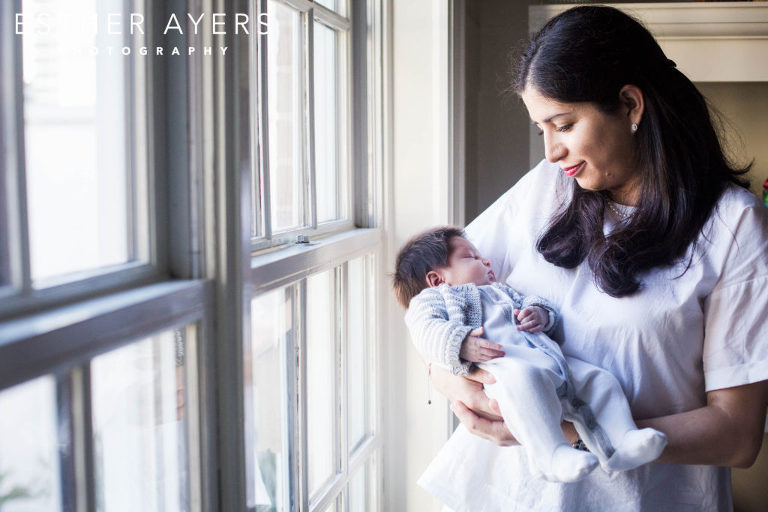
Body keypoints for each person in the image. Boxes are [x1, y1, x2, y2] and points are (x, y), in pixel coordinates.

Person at [426, 5, 768, 512]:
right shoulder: (546, 190)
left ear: (630, 104)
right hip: (505, 495)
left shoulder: (731, 226)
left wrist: (560, 429)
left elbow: (736, 436)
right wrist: (455, 381)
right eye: (541, 127)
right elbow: (435, 299)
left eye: (562, 124)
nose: (550, 152)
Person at [393, 227, 667, 485]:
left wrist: (540, 314)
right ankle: (549, 455)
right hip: (506, 371)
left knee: (599, 381)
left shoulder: (500, 290)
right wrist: (461, 343)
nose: (486, 261)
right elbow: (424, 331)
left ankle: (621, 440)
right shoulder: (433, 301)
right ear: (437, 279)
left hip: (553, 363)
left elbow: (533, 304)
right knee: (526, 384)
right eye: (470, 257)